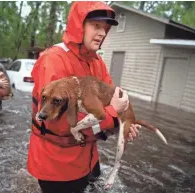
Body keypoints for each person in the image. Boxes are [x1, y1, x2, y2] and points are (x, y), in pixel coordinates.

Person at [29, 2, 141, 193]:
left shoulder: (98, 63)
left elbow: (111, 102)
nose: (102, 33)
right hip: (57, 167)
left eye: (105, 28)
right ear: (78, 25)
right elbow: (57, 122)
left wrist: (124, 124)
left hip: (88, 160)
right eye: (96, 26)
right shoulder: (54, 60)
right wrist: (113, 115)